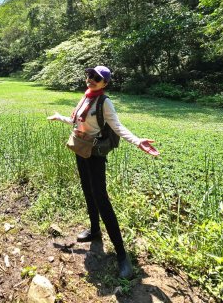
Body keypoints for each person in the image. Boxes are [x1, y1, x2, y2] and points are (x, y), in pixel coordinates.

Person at [47, 65, 159, 279]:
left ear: (105, 83)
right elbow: (76, 120)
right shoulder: (86, 96)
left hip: (95, 153)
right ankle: (95, 231)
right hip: (81, 149)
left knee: (102, 200)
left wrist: (138, 142)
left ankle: (122, 255)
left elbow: (117, 127)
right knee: (87, 191)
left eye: (96, 78)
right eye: (89, 75)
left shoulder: (104, 102)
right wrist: (59, 117)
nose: (91, 79)